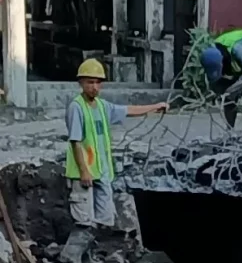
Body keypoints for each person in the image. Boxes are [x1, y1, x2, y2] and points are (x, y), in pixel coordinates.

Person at [66, 58, 167, 231]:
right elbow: (76, 141)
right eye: (90, 82)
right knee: (84, 222)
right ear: (81, 83)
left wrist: (154, 107)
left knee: (104, 221)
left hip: (102, 172)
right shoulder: (77, 107)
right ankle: (71, 257)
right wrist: (84, 171)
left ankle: (99, 256)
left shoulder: (102, 106)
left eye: (98, 83)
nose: (95, 87)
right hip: (85, 173)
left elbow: (127, 110)